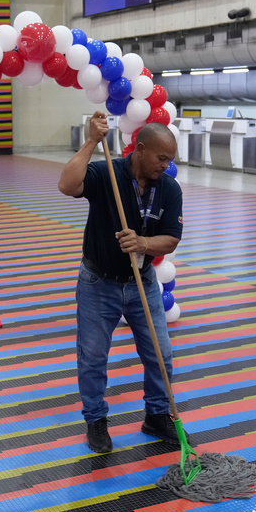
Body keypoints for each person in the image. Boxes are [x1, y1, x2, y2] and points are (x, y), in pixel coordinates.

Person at [58, 112, 186, 453]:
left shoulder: (169, 188)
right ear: (140, 150)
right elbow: (67, 185)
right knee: (94, 356)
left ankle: (157, 414)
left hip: (142, 281)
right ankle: (96, 420)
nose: (166, 166)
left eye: (170, 160)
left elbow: (171, 239)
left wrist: (143, 244)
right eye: (162, 159)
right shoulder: (106, 173)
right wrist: (89, 141)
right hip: (98, 282)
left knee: (161, 354)